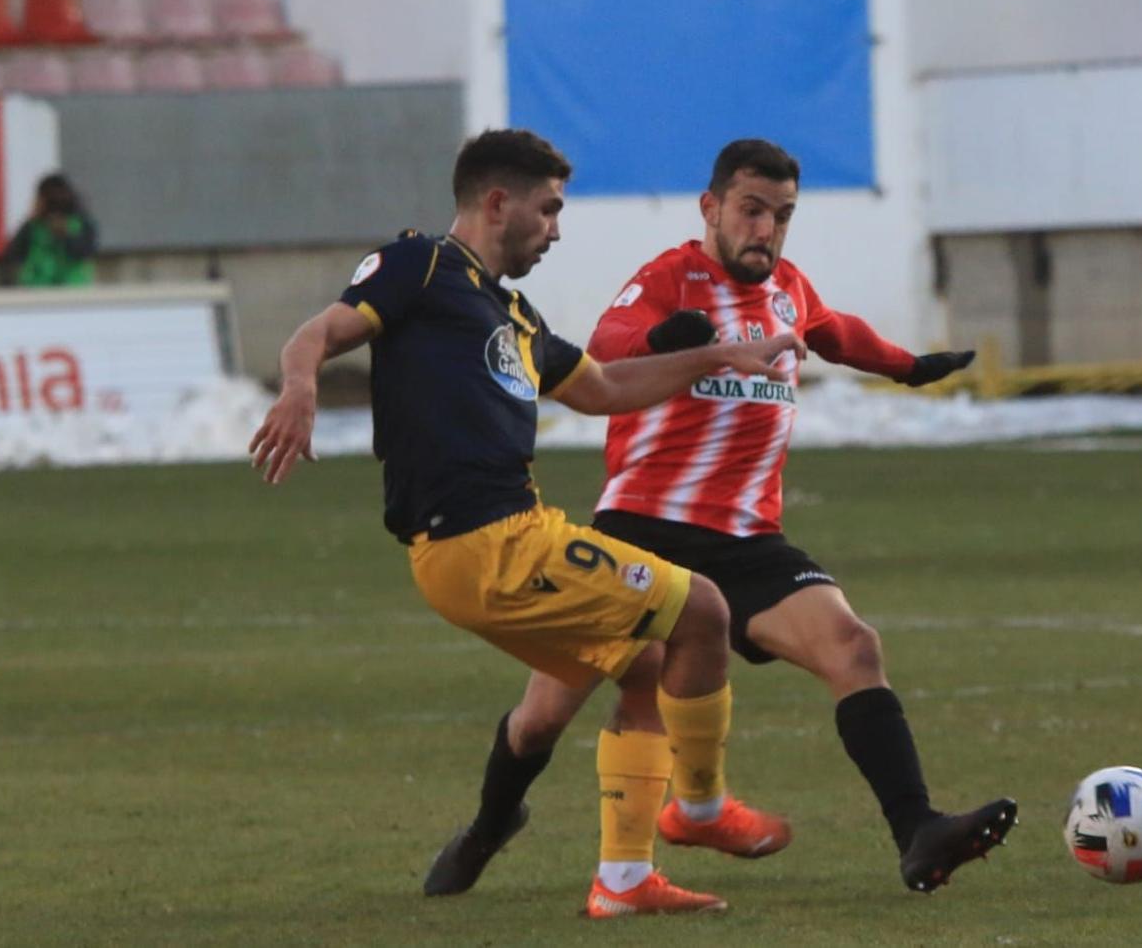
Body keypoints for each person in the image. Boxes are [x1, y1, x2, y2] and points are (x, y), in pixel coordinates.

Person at [427, 138, 1016, 900]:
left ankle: (918, 831)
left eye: (781, 215)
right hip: (643, 528)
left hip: (748, 541)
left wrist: (907, 367)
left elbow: (834, 331)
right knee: (543, 718)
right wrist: (666, 339)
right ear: (711, 209)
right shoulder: (671, 277)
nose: (766, 229)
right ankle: (488, 827)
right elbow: (606, 348)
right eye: (751, 210)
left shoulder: (789, 291)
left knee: (854, 648)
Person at [248, 129, 805, 918]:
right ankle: (703, 809)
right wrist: (299, 386)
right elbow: (321, 331)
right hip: (486, 540)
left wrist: (717, 357)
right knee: (706, 610)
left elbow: (606, 385)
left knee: (641, 665)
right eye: (548, 211)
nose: (556, 229)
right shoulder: (422, 265)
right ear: (497, 202)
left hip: (494, 541)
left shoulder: (510, 311)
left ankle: (618, 879)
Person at [3, 173, 98, 287]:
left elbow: (84, 252)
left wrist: (65, 234)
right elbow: (14, 253)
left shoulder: (80, 224)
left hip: (73, 290)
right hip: (37, 288)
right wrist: (32, 218)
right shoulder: (33, 226)